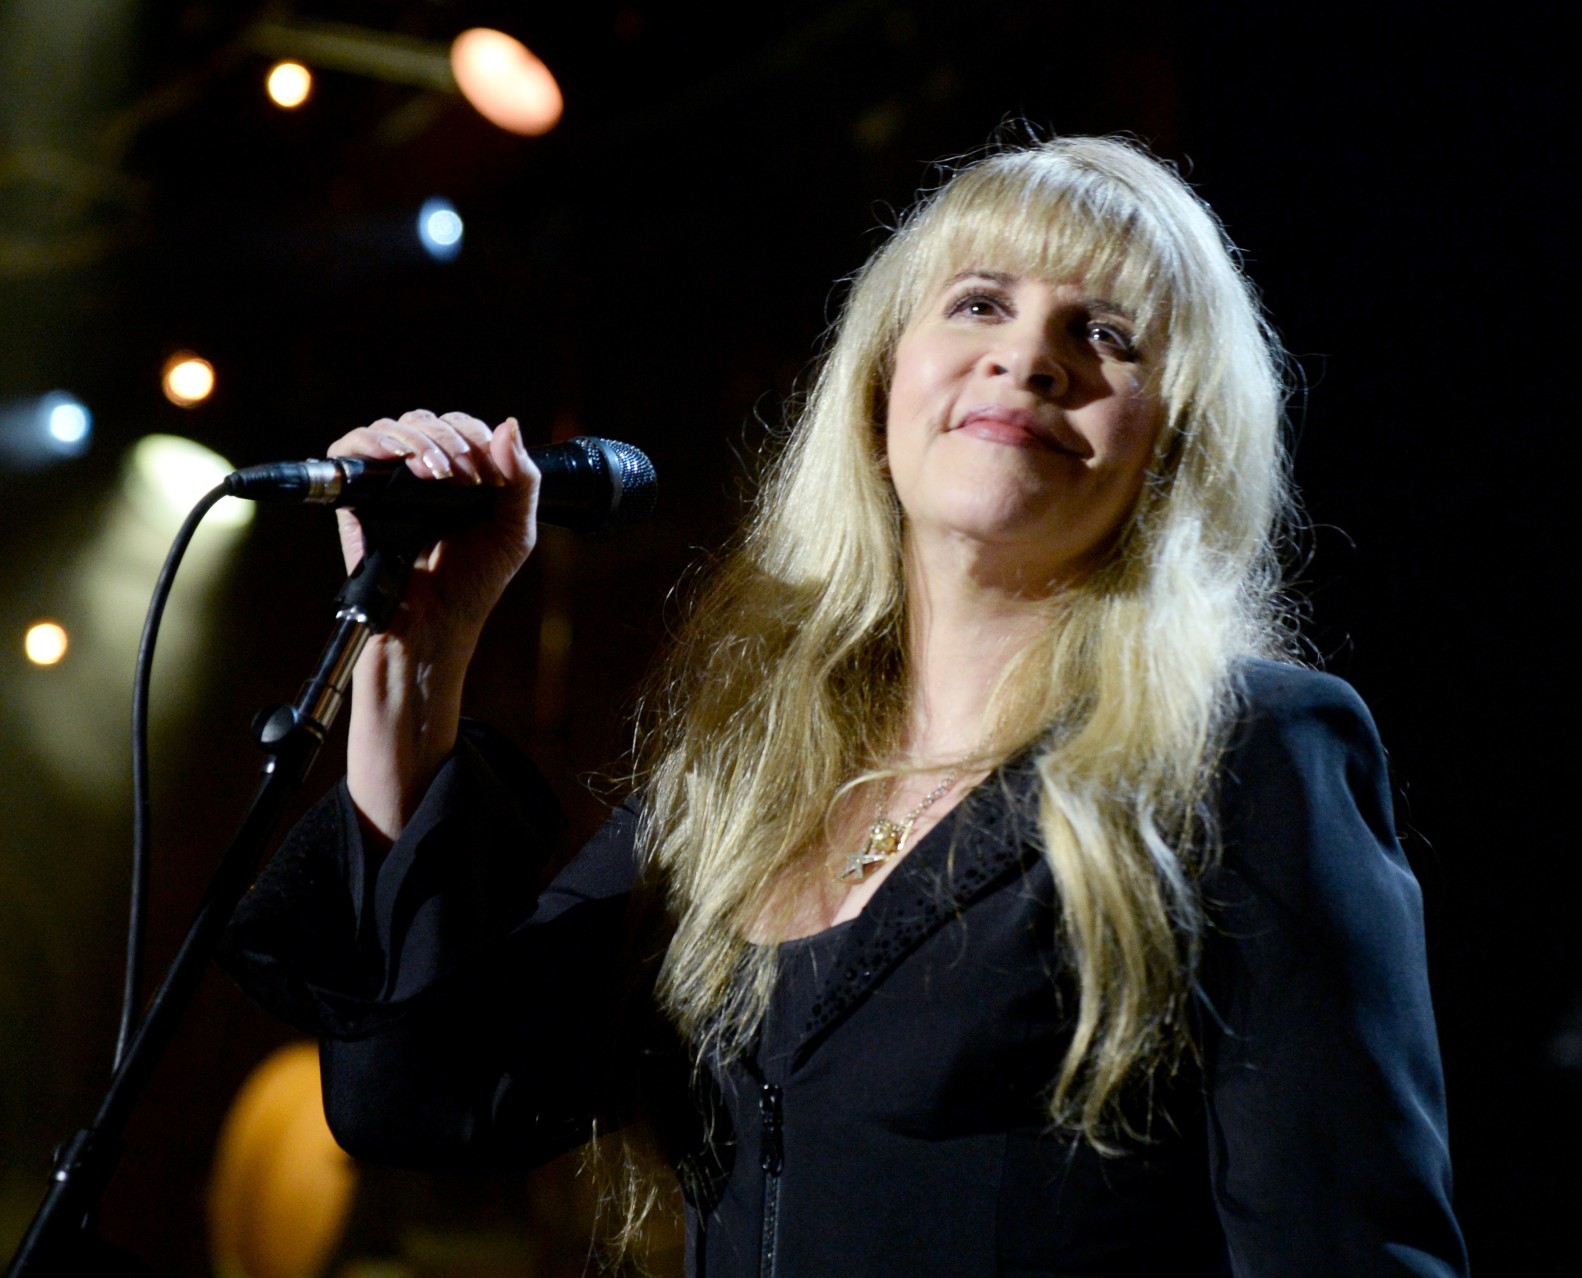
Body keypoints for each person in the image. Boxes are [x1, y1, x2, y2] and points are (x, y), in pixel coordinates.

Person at [224, 135, 1470, 1277]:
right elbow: (433, 1098)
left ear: (1174, 446)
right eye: (980, 302)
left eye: (1107, 334)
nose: (1031, 356)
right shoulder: (748, 777)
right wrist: (417, 660)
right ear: (880, 391)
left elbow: (1351, 1249)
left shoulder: (1248, 753)